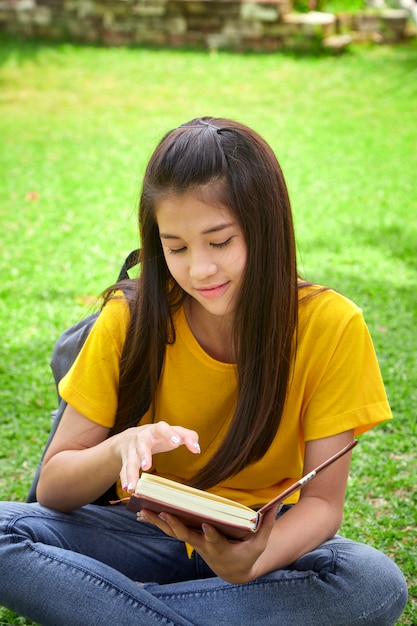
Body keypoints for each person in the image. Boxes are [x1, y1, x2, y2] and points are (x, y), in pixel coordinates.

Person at [0, 117, 408, 625]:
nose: (199, 270)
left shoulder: (330, 326)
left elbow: (323, 505)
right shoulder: (131, 317)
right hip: (141, 533)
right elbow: (55, 491)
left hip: (255, 542)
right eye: (176, 248)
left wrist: (252, 558)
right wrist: (120, 447)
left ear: (265, 227)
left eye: (219, 242)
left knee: (370, 581)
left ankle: (111, 606)